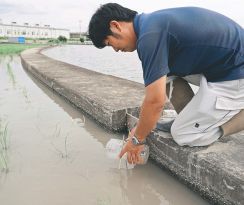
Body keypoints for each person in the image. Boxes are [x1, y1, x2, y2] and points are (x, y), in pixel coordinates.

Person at [88, 3, 244, 164]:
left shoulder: (149, 37)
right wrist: (141, 126)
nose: (115, 50)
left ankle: (229, 121)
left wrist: (137, 140)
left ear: (115, 26)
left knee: (183, 134)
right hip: (222, 64)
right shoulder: (151, 25)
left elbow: (155, 101)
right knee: (165, 74)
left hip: (236, 71)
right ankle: (189, 117)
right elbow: (156, 90)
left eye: (109, 43)